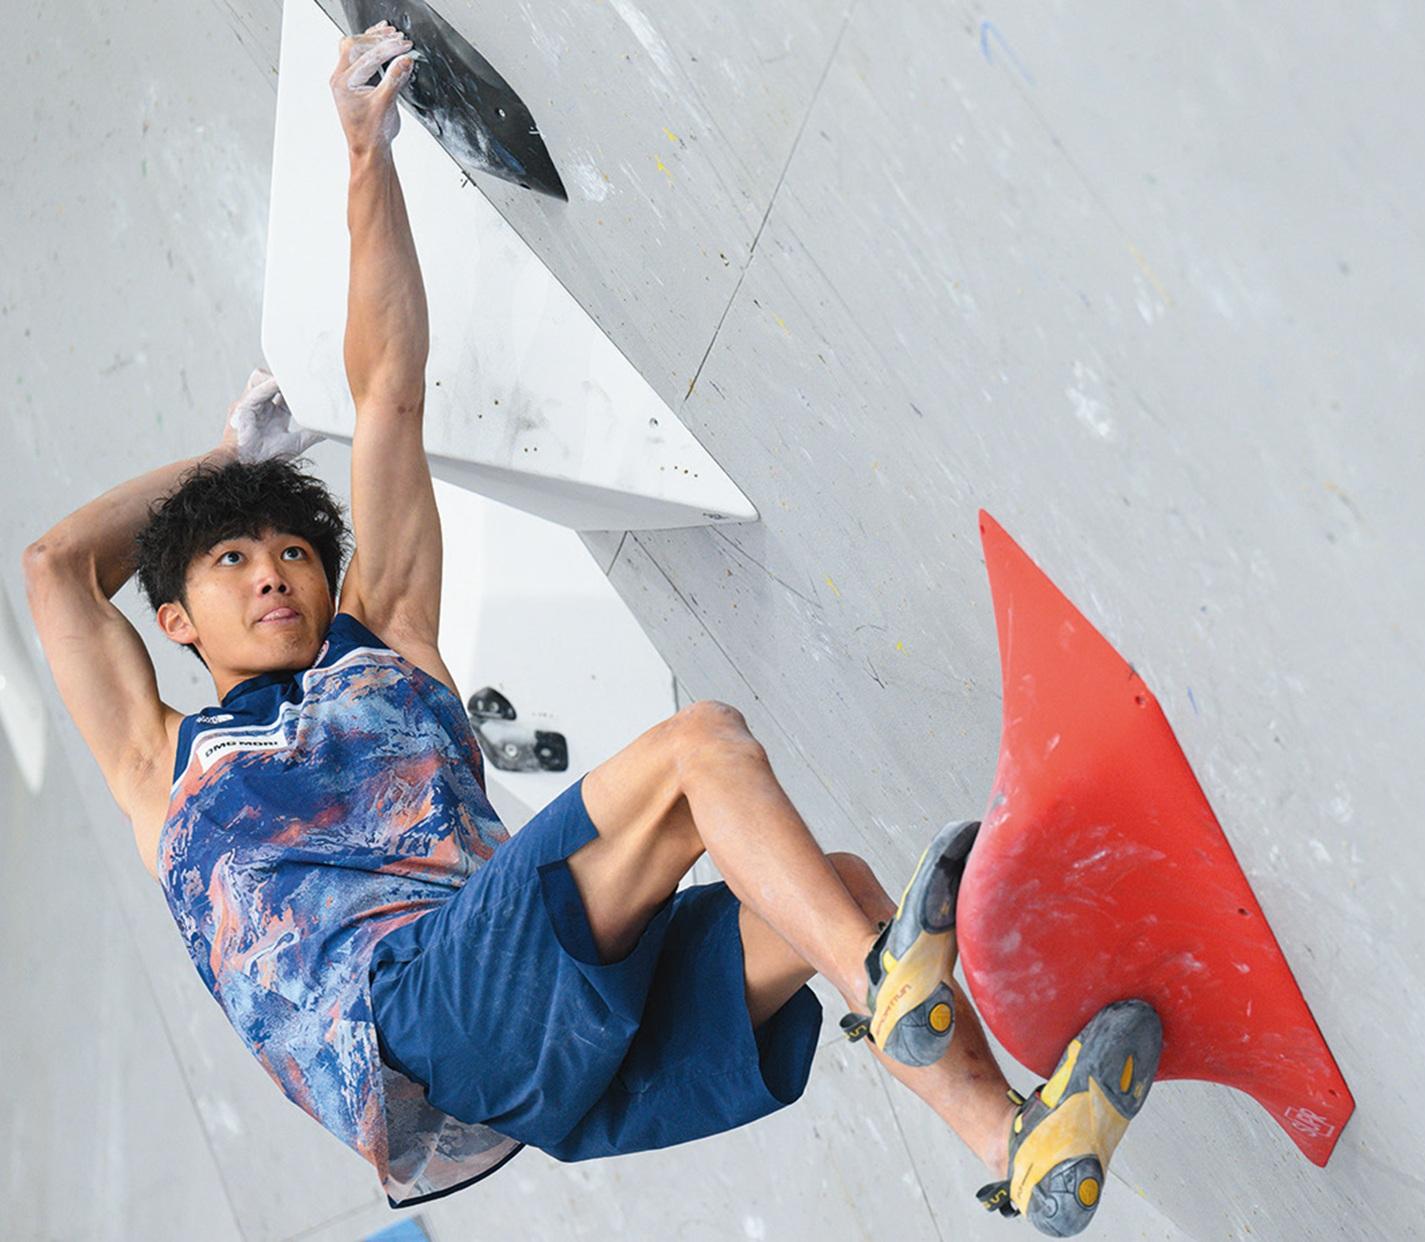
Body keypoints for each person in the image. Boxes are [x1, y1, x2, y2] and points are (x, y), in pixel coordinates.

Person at [18, 21, 1159, 1235]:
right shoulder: (163, 766)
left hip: (539, 1059)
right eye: (232, 562)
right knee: (701, 749)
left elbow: (388, 390)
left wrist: (365, 158)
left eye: (293, 550)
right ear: (174, 619)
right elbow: (54, 569)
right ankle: (889, 985)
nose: (273, 576)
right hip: (420, 1025)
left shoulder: (383, 638)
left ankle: (1015, 1147)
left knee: (832, 891)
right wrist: (223, 466)